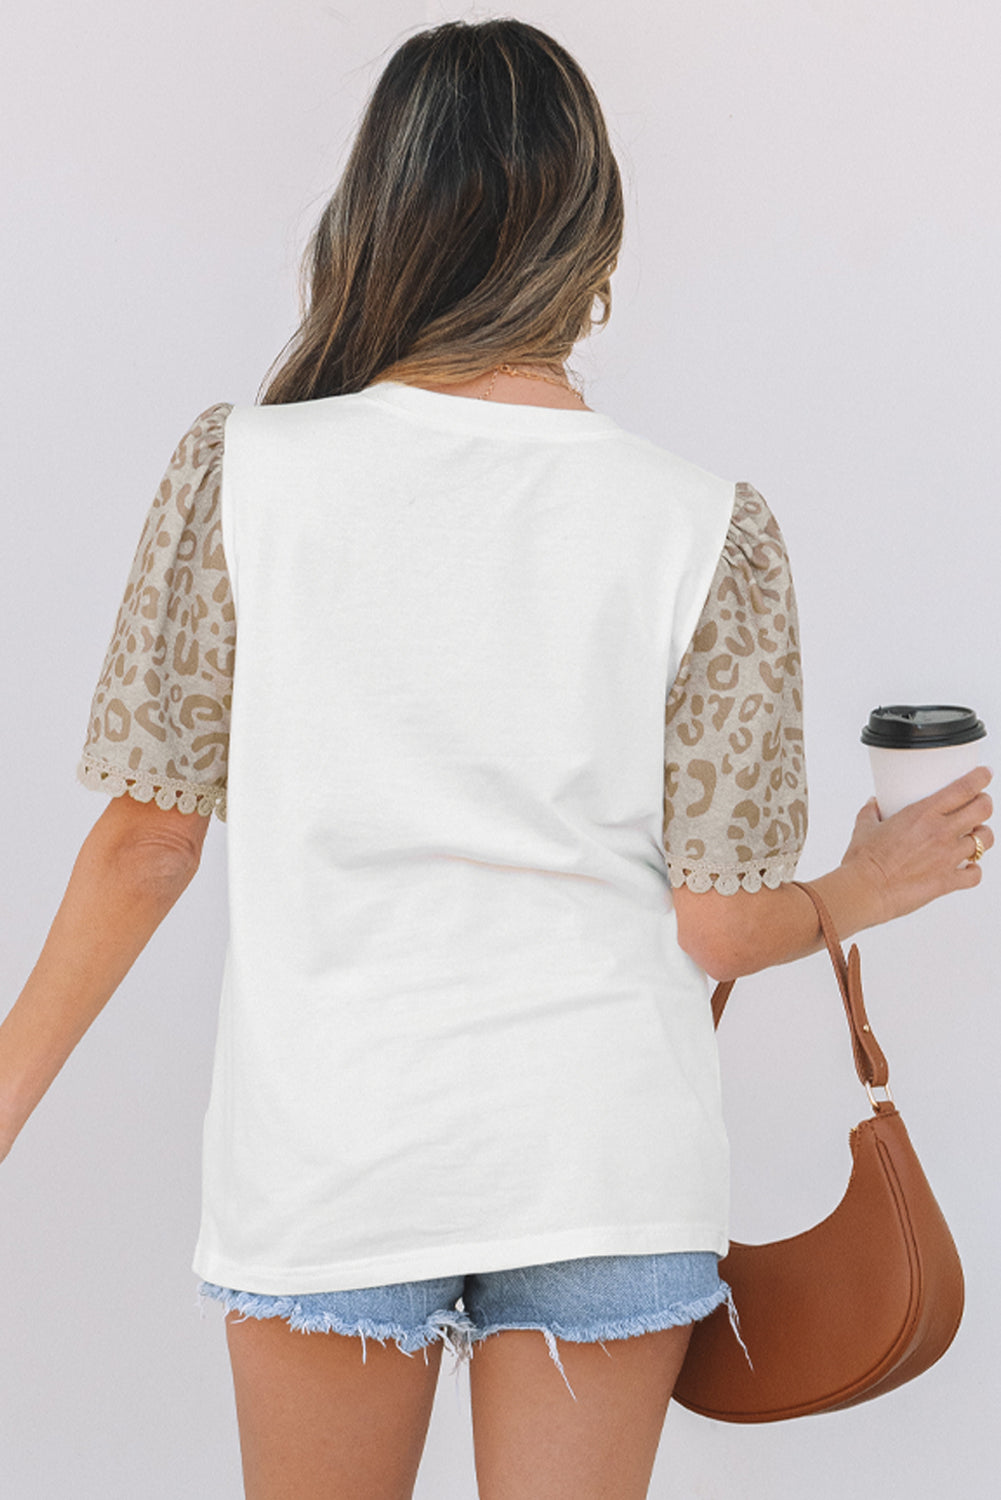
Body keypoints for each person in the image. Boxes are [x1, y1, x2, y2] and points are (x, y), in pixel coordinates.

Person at [0, 17, 992, 1500]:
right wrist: (871, 884)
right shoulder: (707, 524)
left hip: (332, 1162)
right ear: (596, 233)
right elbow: (721, 928)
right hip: (605, 1164)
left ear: (372, 214)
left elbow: (148, 843)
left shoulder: (240, 473)